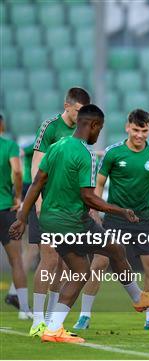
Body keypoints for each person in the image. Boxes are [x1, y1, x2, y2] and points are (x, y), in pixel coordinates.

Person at [9, 104, 149, 343]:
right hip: (73, 221)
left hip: (50, 222)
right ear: (92, 125)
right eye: (100, 128)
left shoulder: (56, 147)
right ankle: (137, 298)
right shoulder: (86, 154)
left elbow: (36, 183)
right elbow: (89, 197)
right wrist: (121, 211)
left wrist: (22, 217)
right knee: (115, 248)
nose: (98, 134)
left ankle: (53, 328)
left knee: (80, 270)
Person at [74, 109, 149, 331]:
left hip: (143, 220)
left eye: (145, 130)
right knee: (99, 264)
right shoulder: (114, 153)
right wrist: (95, 210)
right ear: (127, 127)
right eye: (136, 129)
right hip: (114, 219)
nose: (140, 135)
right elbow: (98, 183)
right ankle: (84, 316)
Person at [28, 87, 91, 336]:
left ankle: (53, 322)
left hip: (69, 208)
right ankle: (37, 322)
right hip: (48, 203)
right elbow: (37, 164)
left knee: (65, 266)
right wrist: (39, 202)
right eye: (78, 111)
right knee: (50, 260)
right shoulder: (51, 127)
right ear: (67, 106)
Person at [0, 115, 31, 319]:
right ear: (2, 125)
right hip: (5, 208)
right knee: (16, 260)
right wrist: (18, 196)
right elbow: (18, 173)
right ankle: (24, 310)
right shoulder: (9, 146)